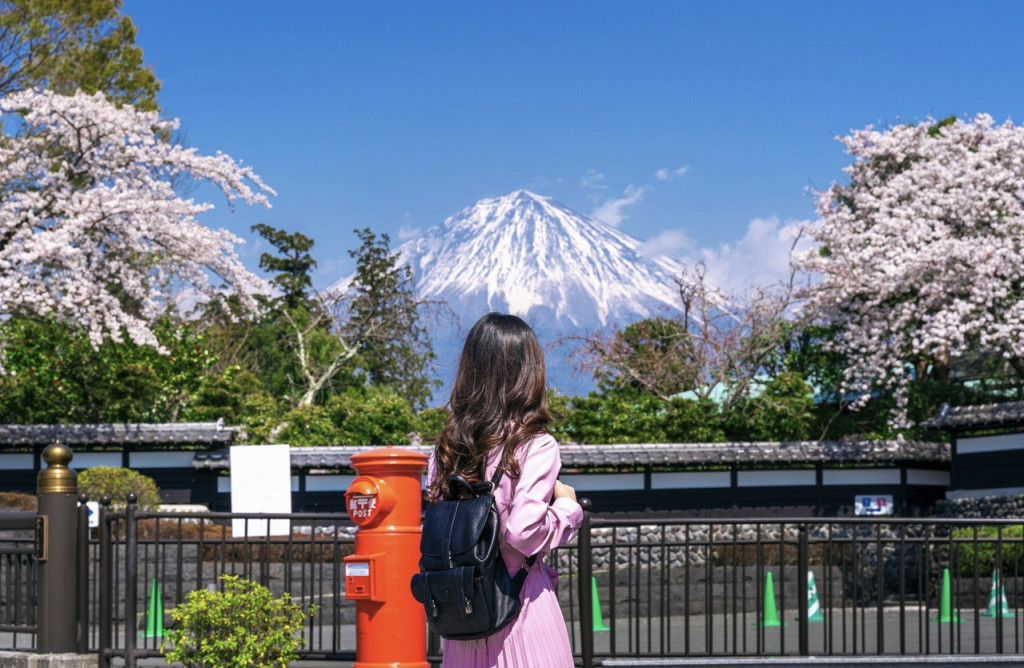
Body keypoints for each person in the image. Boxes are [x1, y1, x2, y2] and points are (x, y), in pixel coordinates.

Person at [426, 312, 582, 668]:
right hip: (520, 606)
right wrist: (567, 510)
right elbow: (522, 531)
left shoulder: (446, 448)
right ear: (529, 372)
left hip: (463, 617)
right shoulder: (535, 444)